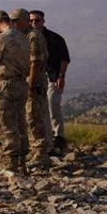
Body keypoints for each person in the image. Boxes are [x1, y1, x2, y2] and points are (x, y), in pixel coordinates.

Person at [0, 10, 31, 177]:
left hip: (4, 84)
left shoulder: (1, 39)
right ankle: (23, 163)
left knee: (5, 123)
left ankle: (12, 164)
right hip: (21, 83)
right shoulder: (24, 38)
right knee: (20, 122)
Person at [13, 8, 53, 169]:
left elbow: (35, 62)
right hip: (26, 80)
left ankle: (41, 152)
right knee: (29, 116)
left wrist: (30, 84)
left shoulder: (33, 37)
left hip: (34, 82)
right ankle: (36, 149)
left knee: (35, 116)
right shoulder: (23, 36)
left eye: (16, 21)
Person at [32, 10, 71, 154]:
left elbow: (64, 59)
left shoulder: (55, 39)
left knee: (52, 104)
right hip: (34, 78)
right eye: (31, 21)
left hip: (52, 77)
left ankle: (58, 136)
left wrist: (61, 76)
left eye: (37, 20)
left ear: (43, 21)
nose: (34, 23)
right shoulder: (27, 38)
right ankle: (44, 136)